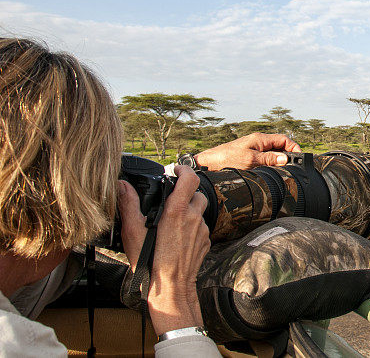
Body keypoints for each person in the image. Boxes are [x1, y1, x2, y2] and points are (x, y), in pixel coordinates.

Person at [0, 37, 300, 356]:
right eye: (104, 177)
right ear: (57, 198)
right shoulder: (15, 342)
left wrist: (190, 167)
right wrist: (172, 296)